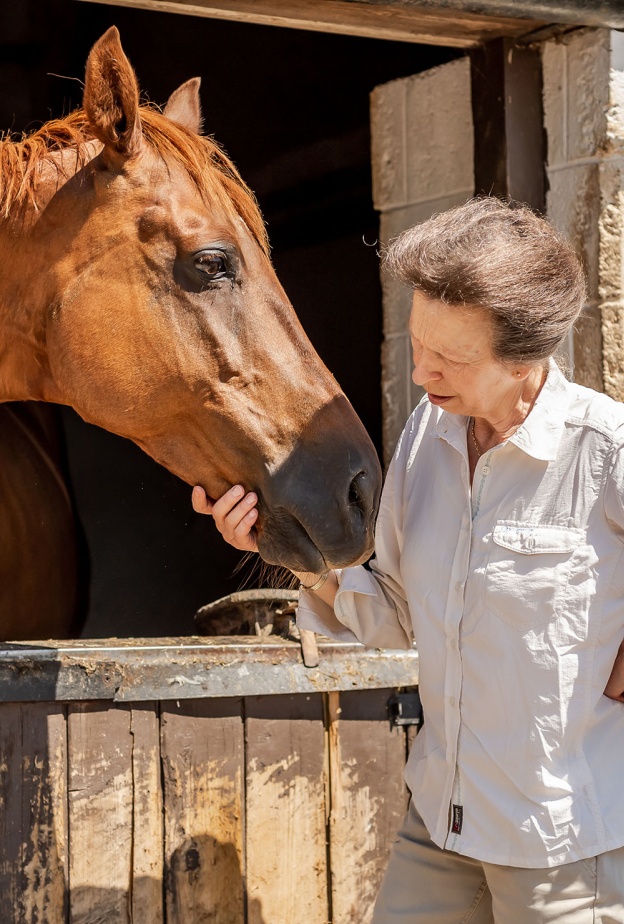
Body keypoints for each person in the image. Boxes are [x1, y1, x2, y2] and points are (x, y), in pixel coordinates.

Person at [192, 197, 624, 923]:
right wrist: (281, 544)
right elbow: (391, 615)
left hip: (562, 846)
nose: (422, 373)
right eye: (419, 345)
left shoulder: (603, 450)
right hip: (440, 818)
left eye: (450, 357)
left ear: (526, 359)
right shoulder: (431, 432)